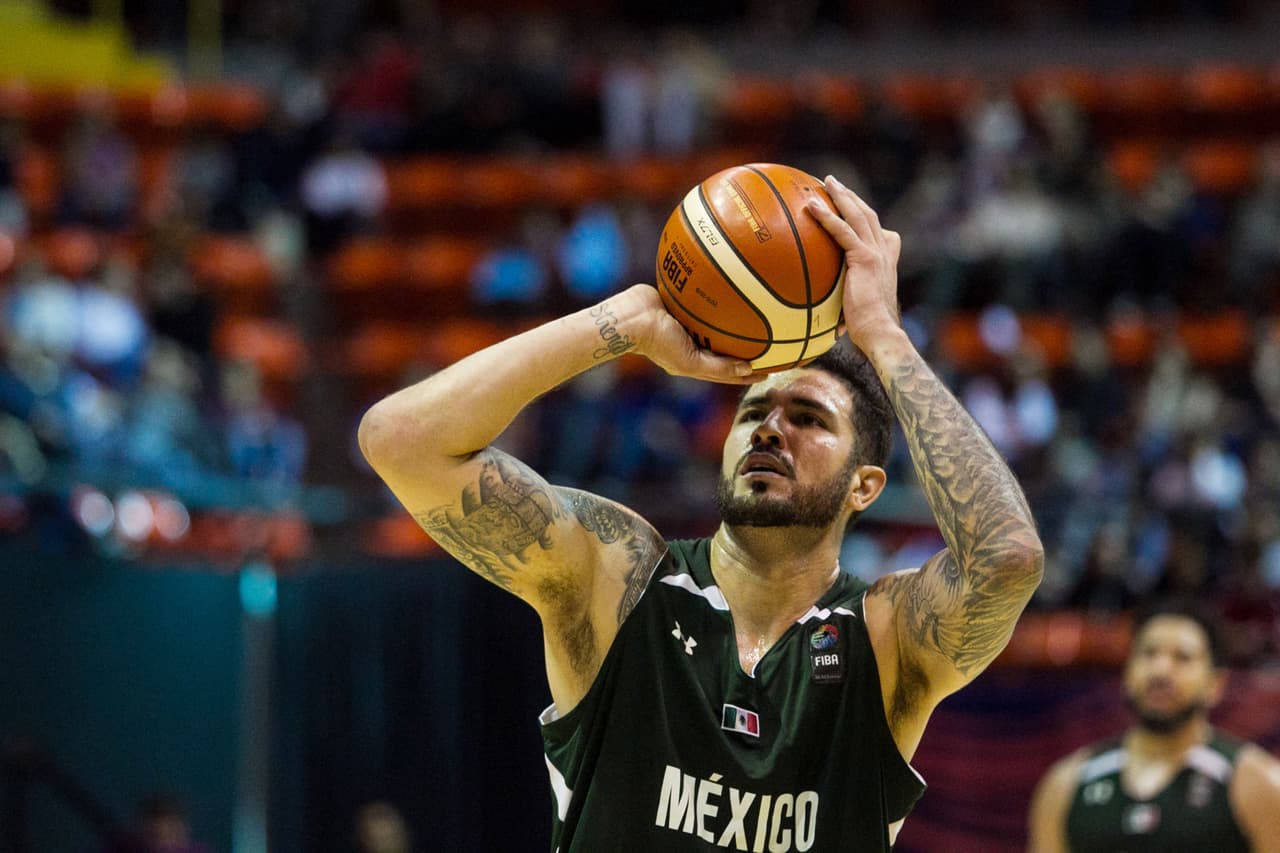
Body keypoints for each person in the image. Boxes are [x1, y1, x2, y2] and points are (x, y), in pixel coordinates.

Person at [359, 176, 1045, 850]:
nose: (769, 430)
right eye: (753, 412)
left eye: (808, 418)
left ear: (864, 486)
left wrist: (885, 338)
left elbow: (1007, 558)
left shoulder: (885, 638)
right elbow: (399, 440)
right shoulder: (619, 579)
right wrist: (625, 323)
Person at [1027, 599, 1280, 852]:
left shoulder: (1259, 784)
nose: (1161, 670)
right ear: (1127, 672)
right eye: (1148, 653)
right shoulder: (1065, 785)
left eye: (1182, 657)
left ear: (1216, 683)